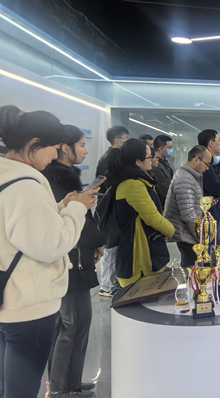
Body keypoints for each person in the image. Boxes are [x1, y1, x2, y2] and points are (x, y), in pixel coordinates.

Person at [0, 105, 97, 398]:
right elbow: (52, 244)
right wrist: (77, 209)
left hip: (8, 297)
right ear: (34, 144)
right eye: (54, 148)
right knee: (22, 388)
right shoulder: (25, 186)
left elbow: (20, 228)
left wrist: (60, 207)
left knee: (7, 383)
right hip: (27, 303)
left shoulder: (7, 176)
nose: (55, 156)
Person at [42, 125, 105, 398]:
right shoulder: (59, 179)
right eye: (81, 144)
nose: (86, 150)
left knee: (72, 324)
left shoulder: (62, 178)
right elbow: (71, 221)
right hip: (71, 259)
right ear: (64, 148)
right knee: (73, 324)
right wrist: (97, 240)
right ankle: (61, 388)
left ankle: (70, 383)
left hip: (74, 257)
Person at [105, 139, 175, 287]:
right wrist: (170, 230)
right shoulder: (133, 184)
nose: (153, 159)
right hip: (139, 253)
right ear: (138, 162)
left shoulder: (135, 180)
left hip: (144, 245)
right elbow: (152, 217)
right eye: (149, 156)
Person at [164, 145, 213, 267]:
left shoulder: (189, 176)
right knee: (193, 270)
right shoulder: (185, 179)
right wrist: (201, 237)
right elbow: (188, 215)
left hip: (190, 234)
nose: (207, 168)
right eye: (206, 164)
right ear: (196, 160)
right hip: (187, 236)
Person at [97, 125, 128, 297]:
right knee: (110, 247)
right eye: (126, 138)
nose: (127, 142)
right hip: (108, 208)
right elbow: (107, 184)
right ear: (118, 140)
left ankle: (112, 283)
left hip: (113, 207)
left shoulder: (114, 156)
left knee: (115, 247)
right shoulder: (109, 158)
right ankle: (106, 286)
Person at [198, 129, 220, 239]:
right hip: (210, 213)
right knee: (213, 243)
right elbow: (216, 188)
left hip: (217, 210)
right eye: (218, 141)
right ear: (211, 143)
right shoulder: (205, 166)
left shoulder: (215, 164)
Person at [147, 134, 174, 209]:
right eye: (169, 147)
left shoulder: (165, 163)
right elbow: (163, 189)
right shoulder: (155, 166)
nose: (171, 150)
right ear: (161, 148)